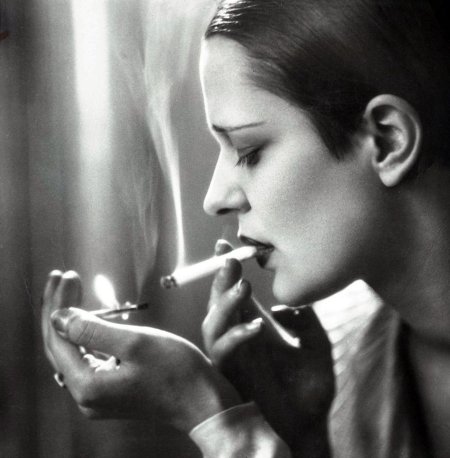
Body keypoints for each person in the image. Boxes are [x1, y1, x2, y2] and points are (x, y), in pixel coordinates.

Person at [41, 0, 450, 457]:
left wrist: (211, 414)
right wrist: (309, 434)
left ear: (387, 140)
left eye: (250, 151)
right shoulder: (351, 354)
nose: (215, 198)